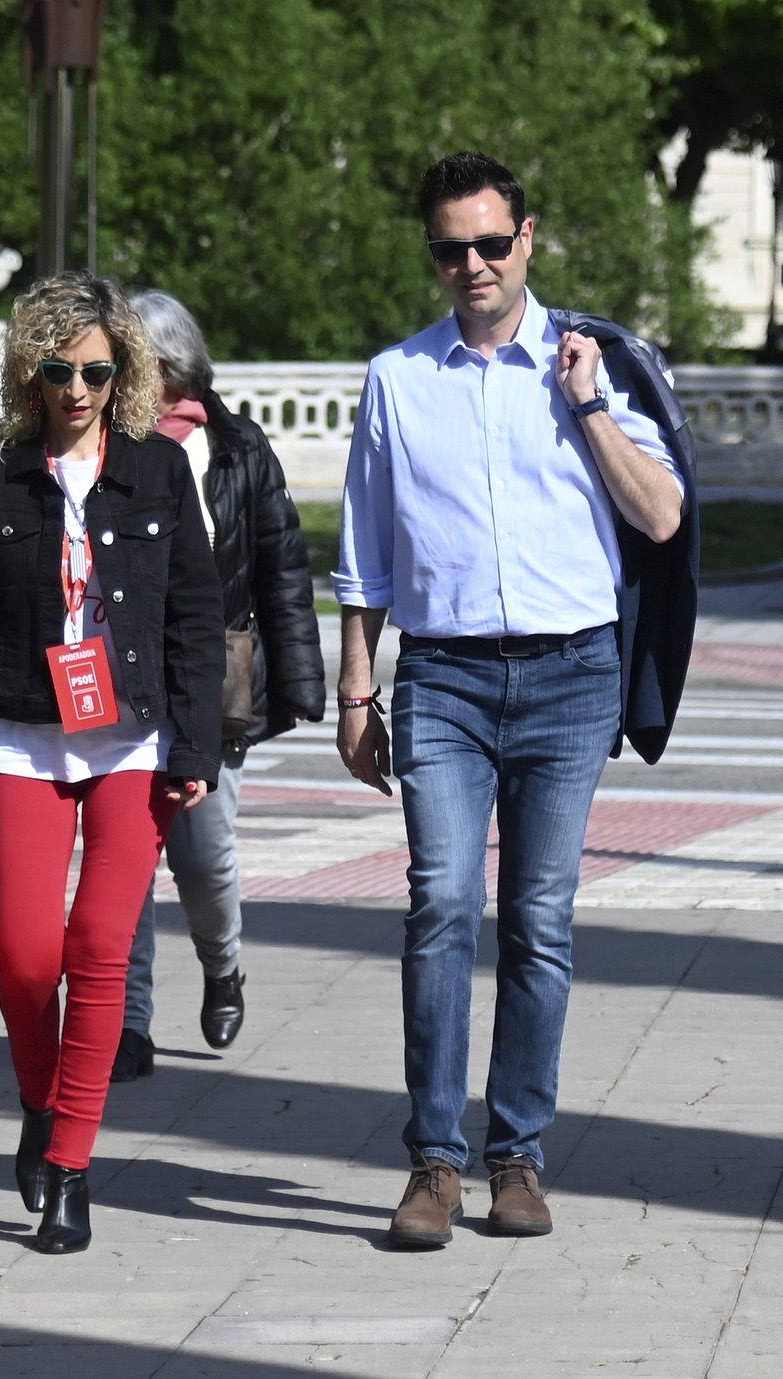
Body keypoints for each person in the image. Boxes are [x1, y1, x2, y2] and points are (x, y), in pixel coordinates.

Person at [333, 151, 697, 1247]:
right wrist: (359, 689)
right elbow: (364, 552)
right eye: (452, 248)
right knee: (441, 903)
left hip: (570, 675)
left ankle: (517, 1154)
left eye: (492, 243)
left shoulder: (595, 362)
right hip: (441, 677)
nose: (474, 264)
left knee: (538, 920)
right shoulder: (397, 377)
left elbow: (662, 515)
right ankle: (433, 1163)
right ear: (432, 254)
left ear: (526, 238)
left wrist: (584, 405)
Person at [0, 270, 225, 1254]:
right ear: (32, 370)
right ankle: (40, 1099)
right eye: (59, 368)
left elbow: (193, 614)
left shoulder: (154, 470)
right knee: (24, 957)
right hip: (20, 736)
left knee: (99, 945)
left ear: (123, 371)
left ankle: (70, 1164)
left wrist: (196, 742)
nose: (78, 387)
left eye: (97, 369)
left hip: (133, 740)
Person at [110, 290, 326, 1081]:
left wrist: (301, 680)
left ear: (173, 367)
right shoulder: (105, 441)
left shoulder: (236, 447)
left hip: (216, 682)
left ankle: (221, 964)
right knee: (124, 856)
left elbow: (282, 567)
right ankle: (128, 1022)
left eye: (138, 365)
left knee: (203, 859)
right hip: (126, 684)